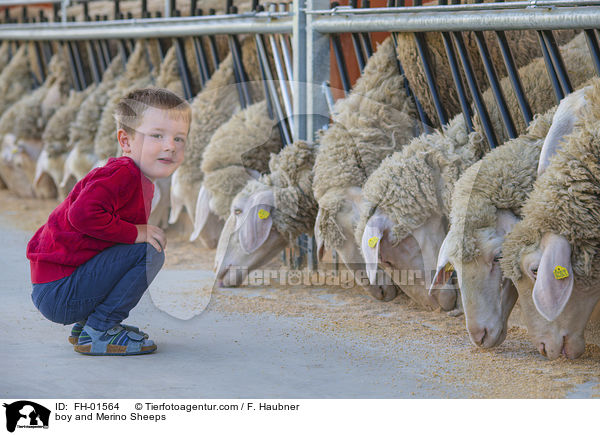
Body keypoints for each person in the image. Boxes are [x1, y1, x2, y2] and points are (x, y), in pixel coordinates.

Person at [26, 87, 191, 356]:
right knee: (149, 251)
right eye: (157, 136)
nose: (169, 146)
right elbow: (81, 215)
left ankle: (87, 327)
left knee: (138, 247)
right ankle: (100, 330)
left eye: (178, 138)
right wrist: (136, 232)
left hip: (59, 287)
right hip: (59, 291)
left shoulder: (137, 179)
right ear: (125, 141)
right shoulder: (122, 174)